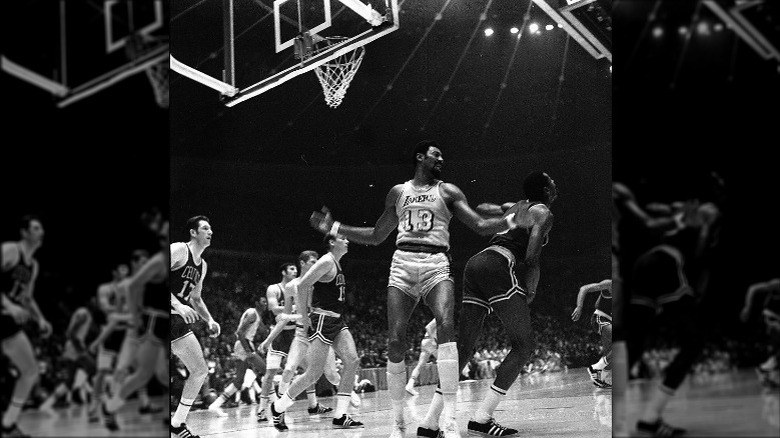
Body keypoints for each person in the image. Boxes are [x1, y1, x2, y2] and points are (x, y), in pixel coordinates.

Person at [309, 140, 517, 438]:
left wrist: (511, 220)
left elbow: (481, 224)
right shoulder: (398, 192)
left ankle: (448, 418)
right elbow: (377, 235)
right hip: (402, 263)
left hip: (436, 262)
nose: (441, 158)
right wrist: (334, 227)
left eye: (443, 154)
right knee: (395, 341)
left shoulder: (448, 191)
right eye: (436, 154)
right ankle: (398, 422)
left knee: (446, 326)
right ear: (421, 157)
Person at [418, 170, 557, 437]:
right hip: (499, 264)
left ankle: (429, 422)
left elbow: (484, 207)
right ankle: (482, 418)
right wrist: (532, 287)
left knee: (464, 346)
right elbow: (531, 257)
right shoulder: (544, 213)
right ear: (547, 191)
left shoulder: (518, 206)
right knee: (524, 344)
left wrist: (502, 210)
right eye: (553, 183)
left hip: (475, 263)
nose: (555, 185)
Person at [627, 201, 720, 437]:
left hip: (643, 265)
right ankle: (650, 418)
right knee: (694, 343)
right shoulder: (698, 225)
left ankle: (635, 420)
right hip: (666, 265)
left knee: (633, 342)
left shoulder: (675, 217)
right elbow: (700, 260)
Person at [269, 234, 363, 431]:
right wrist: (303, 317)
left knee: (352, 360)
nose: (347, 241)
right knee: (313, 374)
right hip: (322, 320)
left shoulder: (336, 263)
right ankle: (278, 408)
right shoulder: (326, 261)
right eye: (343, 238)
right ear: (331, 242)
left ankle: (341, 415)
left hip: (337, 319)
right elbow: (302, 285)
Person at [102, 212, 170, 431]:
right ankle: (111, 407)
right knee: (144, 374)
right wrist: (135, 315)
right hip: (152, 322)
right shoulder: (159, 262)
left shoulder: (175, 259)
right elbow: (133, 286)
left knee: (163, 373)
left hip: (167, 322)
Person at [258, 251, 343, 422]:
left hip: (315, 331)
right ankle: (270, 408)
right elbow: (277, 312)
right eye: (291, 269)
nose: (294, 272)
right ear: (301, 264)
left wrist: (297, 313)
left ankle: (318, 402)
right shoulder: (281, 288)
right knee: (284, 370)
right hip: (294, 332)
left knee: (321, 374)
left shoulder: (319, 283)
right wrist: (268, 339)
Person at [165, 215, 220, 438]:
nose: (210, 232)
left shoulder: (202, 265)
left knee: (199, 370)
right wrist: (178, 305)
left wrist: (210, 320)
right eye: (205, 228)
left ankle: (177, 424)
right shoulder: (178, 250)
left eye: (211, 228)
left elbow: (196, 299)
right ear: (193, 232)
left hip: (175, 318)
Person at [1, 215, 52, 438]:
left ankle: (7, 424)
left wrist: (40, 319)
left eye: (41, 227)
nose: (41, 231)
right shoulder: (10, 250)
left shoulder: (34, 265)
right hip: (4, 312)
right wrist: (9, 307)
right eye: (35, 227)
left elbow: (27, 298)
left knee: (30, 371)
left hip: (6, 321)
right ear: (24, 232)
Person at [208, 297, 268, 415]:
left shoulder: (255, 315)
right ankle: (273, 402)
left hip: (242, 344)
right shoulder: (252, 313)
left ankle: (215, 405)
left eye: (266, 302)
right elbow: (240, 332)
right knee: (267, 371)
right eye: (263, 302)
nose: (265, 304)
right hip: (243, 344)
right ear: (256, 303)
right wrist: (247, 349)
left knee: (239, 381)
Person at [572, 279, 613, 388]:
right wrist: (579, 306)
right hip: (600, 318)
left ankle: (600, 379)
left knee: (611, 356)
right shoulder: (610, 284)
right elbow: (584, 288)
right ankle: (595, 368)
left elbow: (596, 304)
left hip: (609, 320)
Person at [740, 278, 780, 387]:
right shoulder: (777, 284)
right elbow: (753, 288)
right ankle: (766, 370)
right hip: (770, 318)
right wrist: (747, 307)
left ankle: (765, 370)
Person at [406, 318, 438, 396]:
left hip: (425, 341)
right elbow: (428, 327)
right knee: (444, 362)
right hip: (430, 342)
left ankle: (410, 385)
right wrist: (433, 340)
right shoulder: (439, 317)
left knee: (420, 365)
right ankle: (450, 385)